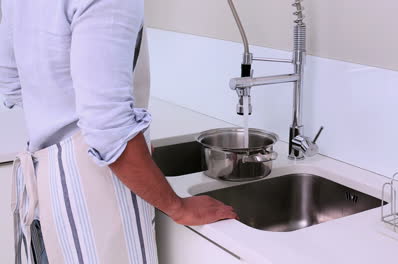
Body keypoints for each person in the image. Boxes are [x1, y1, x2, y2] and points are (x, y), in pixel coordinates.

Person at [0, 0, 237, 263]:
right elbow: (108, 130)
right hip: (96, 203)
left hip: (42, 195)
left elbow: (12, 84)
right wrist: (177, 207)